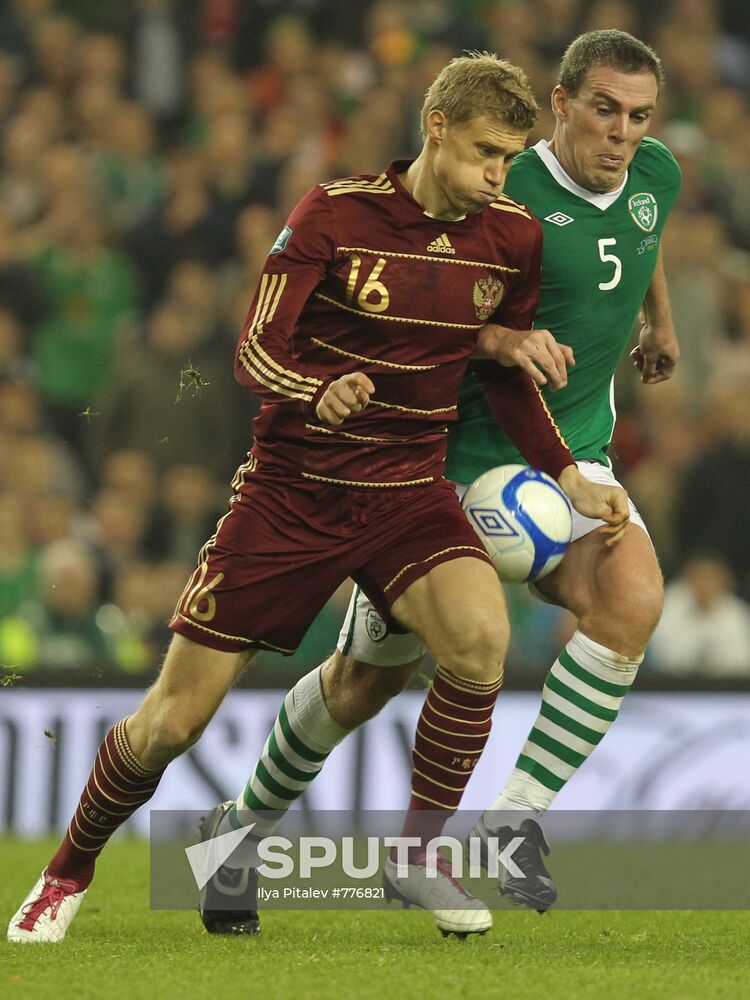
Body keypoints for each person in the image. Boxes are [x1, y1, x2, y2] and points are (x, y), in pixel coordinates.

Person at [7, 52, 628, 944]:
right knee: (172, 722)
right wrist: (315, 387)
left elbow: (501, 377)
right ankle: (66, 871)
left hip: (409, 490)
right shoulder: (335, 213)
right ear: (437, 129)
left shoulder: (511, 237)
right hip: (292, 495)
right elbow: (255, 349)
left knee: (480, 638)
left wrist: (566, 472)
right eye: (486, 153)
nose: (500, 175)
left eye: (509, 157)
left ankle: (418, 855)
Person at [225, 29, 681, 921]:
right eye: (604, 111)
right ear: (559, 106)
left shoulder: (655, 173)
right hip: (448, 463)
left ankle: (509, 825)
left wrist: (656, 322)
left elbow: (645, 232)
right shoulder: (498, 188)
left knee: (632, 600)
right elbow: (422, 312)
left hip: (572, 456)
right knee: (362, 684)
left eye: (639, 116)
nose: (622, 134)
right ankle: (239, 829)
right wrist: (500, 339)